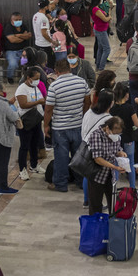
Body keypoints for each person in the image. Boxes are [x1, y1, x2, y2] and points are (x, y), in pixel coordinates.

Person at [42, 57, 91, 193]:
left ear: (56, 71)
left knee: (61, 157)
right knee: (78, 155)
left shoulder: (54, 86)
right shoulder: (81, 82)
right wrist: (83, 115)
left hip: (60, 128)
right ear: (70, 68)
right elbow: (88, 101)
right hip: (78, 126)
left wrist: (46, 125)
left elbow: (48, 109)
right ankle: (81, 182)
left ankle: (61, 184)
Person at [0, 87, 24, 195]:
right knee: (3, 162)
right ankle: (4, 187)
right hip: (4, 135)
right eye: (2, 90)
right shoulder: (2, 103)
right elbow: (13, 116)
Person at [86, 116, 127, 215]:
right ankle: (95, 228)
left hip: (110, 175)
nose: (116, 135)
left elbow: (116, 149)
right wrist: (115, 167)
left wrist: (120, 153)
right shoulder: (96, 136)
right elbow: (98, 159)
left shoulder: (116, 137)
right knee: (95, 206)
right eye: (115, 132)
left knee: (114, 204)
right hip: (96, 175)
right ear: (107, 128)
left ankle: (112, 226)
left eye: (119, 133)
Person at [14, 66, 46, 180]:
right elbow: (23, 104)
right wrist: (38, 101)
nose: (38, 80)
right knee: (24, 146)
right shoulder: (21, 89)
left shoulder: (36, 87)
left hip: (36, 120)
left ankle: (34, 165)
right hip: (26, 121)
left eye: (39, 78)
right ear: (28, 78)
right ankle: (22, 169)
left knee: (34, 143)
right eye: (36, 78)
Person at [110, 82, 138, 189]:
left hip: (115, 140)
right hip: (128, 139)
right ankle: (132, 188)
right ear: (126, 95)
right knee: (130, 163)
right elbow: (137, 124)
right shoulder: (129, 108)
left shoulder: (112, 108)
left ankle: (114, 187)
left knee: (115, 164)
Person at [90, 0, 112, 71]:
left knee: (101, 48)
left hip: (100, 29)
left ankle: (98, 65)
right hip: (101, 30)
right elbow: (105, 19)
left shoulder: (96, 7)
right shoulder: (96, 9)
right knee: (107, 49)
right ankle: (101, 67)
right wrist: (109, 16)